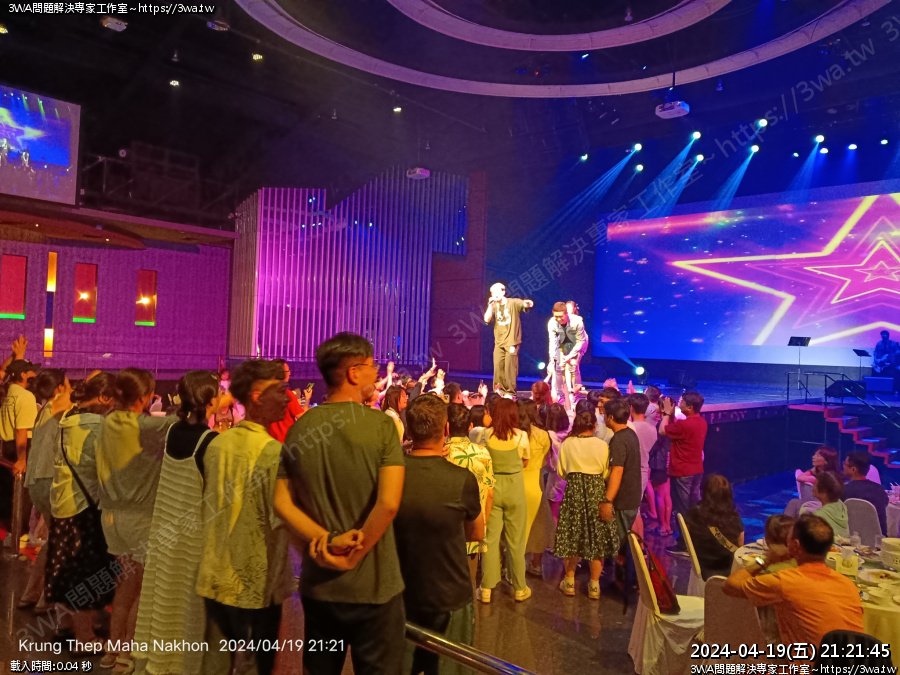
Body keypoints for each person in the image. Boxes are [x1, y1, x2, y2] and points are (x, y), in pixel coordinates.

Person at [278, 332, 406, 675]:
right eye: (372, 366)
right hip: (375, 588)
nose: (376, 372)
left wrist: (328, 540)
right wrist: (353, 556)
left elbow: (282, 503)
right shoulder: (381, 426)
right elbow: (388, 503)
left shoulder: (300, 429)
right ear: (353, 372)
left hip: (319, 586)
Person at [196, 360, 293, 675]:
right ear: (257, 396)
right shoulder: (272, 452)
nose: (286, 397)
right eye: (279, 390)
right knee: (254, 664)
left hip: (215, 572)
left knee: (215, 662)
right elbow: (281, 517)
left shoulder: (218, 444)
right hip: (255, 582)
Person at [132, 371, 221, 675]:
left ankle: (159, 663)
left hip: (165, 534)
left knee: (163, 603)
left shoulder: (172, 432)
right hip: (191, 543)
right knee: (187, 612)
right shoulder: (210, 442)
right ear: (211, 401)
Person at [394, 395, 483, 675]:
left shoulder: (391, 474)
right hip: (449, 593)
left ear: (410, 430)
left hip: (401, 590)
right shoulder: (461, 478)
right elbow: (477, 531)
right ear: (445, 429)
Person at [95, 368, 174, 673]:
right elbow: (188, 422)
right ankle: (128, 651)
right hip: (140, 518)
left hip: (110, 517)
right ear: (144, 396)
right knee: (142, 587)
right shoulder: (148, 426)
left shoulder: (107, 421)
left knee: (124, 585)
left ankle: (113, 650)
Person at [45, 373, 118, 647]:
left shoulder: (66, 419)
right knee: (84, 571)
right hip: (84, 508)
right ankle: (85, 637)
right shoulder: (98, 427)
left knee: (64, 568)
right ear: (105, 397)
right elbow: (106, 470)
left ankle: (65, 625)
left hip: (62, 503)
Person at [724, 514, 864, 646]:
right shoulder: (848, 585)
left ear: (795, 545)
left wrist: (766, 560)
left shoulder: (785, 581)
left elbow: (730, 585)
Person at [19, 368, 71, 611]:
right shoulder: (59, 409)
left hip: (36, 481)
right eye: (68, 384)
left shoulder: (43, 410)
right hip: (50, 480)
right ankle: (46, 598)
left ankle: (31, 594)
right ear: (59, 388)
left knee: (53, 540)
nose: (71, 388)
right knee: (61, 542)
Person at [554, 410, 618, 600]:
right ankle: (594, 585)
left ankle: (569, 580)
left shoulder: (567, 443)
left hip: (574, 491)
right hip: (595, 490)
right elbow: (606, 471)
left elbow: (561, 471)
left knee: (572, 535)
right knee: (596, 537)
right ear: (594, 425)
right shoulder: (602, 445)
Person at [473, 398, 532, 603]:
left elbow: (480, 459)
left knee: (490, 539)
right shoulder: (521, 436)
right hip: (515, 490)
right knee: (516, 541)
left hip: (492, 488)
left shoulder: (484, 435)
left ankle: (486, 588)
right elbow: (525, 461)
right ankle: (519, 587)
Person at [444, 403, 494, 588]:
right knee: (468, 586)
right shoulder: (482, 453)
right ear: (470, 426)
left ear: (446, 426)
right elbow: (490, 493)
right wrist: (484, 526)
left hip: (444, 537)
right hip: (473, 533)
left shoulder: (442, 453)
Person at [660, 391, 707, 554]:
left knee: (682, 509)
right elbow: (676, 430)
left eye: (682, 401)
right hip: (696, 469)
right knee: (693, 507)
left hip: (682, 472)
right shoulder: (701, 422)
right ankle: (694, 541)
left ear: (690, 407)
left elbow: (663, 431)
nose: (679, 403)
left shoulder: (685, 425)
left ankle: (684, 544)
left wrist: (666, 414)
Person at [1, 358, 38, 531]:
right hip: (20, 446)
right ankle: (19, 532)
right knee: (23, 494)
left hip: (7, 445)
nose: (34, 374)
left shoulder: (8, 393)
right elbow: (21, 430)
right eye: (31, 371)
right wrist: (22, 458)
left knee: (8, 491)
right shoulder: (26, 396)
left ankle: (9, 529)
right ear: (23, 374)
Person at [683, 474, 745, 579]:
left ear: (704, 493)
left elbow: (688, 543)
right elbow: (740, 547)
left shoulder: (693, 514)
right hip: (729, 574)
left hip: (701, 571)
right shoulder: (734, 518)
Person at [600, 398, 644, 540]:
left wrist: (608, 500)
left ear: (611, 417)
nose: (603, 417)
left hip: (624, 499)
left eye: (604, 414)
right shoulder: (630, 433)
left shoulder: (619, 440)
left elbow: (617, 471)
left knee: (618, 542)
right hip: (632, 496)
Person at [518, 399, 552, 577]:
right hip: (535, 481)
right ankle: (536, 563)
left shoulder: (513, 434)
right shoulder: (543, 435)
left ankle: (512, 565)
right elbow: (545, 460)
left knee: (515, 525)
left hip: (516, 480)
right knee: (538, 524)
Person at [483, 282, 534, 396]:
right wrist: (490, 305)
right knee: (498, 367)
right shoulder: (494, 305)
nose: (494, 294)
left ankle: (510, 393)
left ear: (503, 292)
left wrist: (528, 303)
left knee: (510, 368)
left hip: (512, 341)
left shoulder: (513, 302)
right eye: (492, 293)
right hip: (499, 342)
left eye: (496, 292)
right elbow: (486, 319)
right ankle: (498, 391)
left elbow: (525, 304)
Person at [547, 301, 589, 407]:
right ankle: (561, 396)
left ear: (566, 314)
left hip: (578, 342)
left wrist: (569, 357)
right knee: (557, 367)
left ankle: (575, 394)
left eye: (561, 316)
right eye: (556, 316)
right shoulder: (552, 323)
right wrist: (552, 360)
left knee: (573, 366)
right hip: (563, 342)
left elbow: (580, 341)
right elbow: (553, 343)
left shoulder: (577, 322)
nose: (558, 319)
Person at [842, 451, 888, 534]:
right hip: (879, 538)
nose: (843, 466)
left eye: (845, 464)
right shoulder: (880, 490)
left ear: (853, 469)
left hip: (852, 537)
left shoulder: (844, 490)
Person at [267, 358, 306, 442]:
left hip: (269, 441)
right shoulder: (287, 394)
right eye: (288, 371)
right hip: (286, 442)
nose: (290, 373)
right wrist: (307, 400)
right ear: (281, 374)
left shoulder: (265, 393)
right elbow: (303, 418)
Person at [804, 471, 849, 539]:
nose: (812, 487)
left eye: (815, 484)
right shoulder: (842, 506)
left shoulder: (818, 518)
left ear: (824, 492)